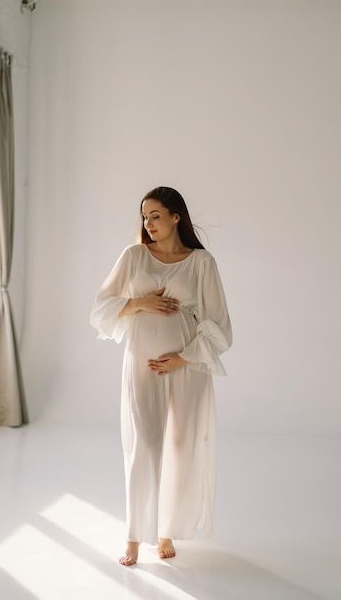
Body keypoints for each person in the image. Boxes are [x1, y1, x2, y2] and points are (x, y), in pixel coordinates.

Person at [90, 186, 232, 566]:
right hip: (142, 362)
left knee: (181, 445)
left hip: (185, 365)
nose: (148, 223)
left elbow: (219, 325)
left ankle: (166, 530)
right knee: (144, 444)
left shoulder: (202, 262)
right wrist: (139, 302)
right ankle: (135, 537)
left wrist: (183, 359)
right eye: (144, 217)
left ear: (176, 217)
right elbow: (101, 306)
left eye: (156, 215)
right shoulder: (134, 256)